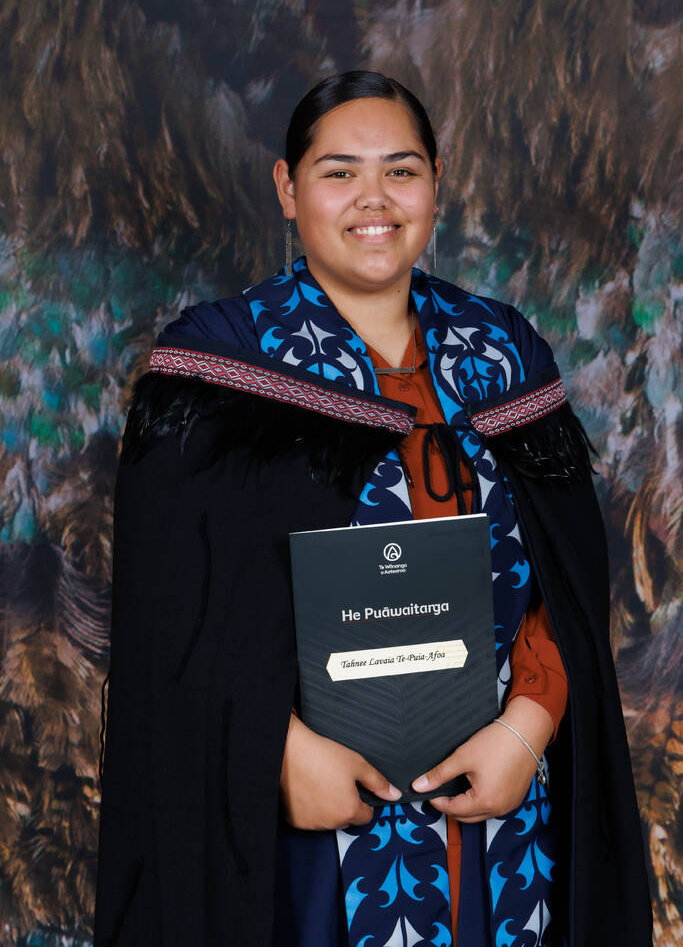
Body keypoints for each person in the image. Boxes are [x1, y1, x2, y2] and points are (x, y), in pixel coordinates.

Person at [95, 71, 651, 946]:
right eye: (338, 172)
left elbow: (567, 583)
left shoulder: (503, 351)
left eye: (400, 170)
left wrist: (529, 726)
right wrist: (278, 752)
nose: (373, 200)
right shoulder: (219, 360)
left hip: (500, 801)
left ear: (436, 180)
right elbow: (173, 615)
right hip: (311, 818)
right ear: (287, 188)